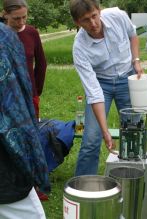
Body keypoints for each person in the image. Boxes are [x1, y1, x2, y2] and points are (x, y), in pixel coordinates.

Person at [69, 0, 144, 176]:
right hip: (101, 83)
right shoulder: (79, 47)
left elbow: (133, 35)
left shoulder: (117, 16)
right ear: (77, 22)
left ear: (99, 10)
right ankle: (83, 188)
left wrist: (136, 61)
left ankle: (134, 177)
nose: (93, 23)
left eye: (94, 16)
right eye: (86, 20)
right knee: (91, 139)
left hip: (127, 77)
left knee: (134, 130)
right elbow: (94, 92)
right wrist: (105, 131)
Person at [0, 22, 49, 219]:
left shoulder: (9, 36)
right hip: (7, 174)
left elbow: (40, 64)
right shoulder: (4, 38)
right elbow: (13, 117)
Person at [2, 0, 47, 119]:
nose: (21, 22)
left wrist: (36, 90)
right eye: (16, 18)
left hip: (29, 94)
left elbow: (41, 64)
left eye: (24, 17)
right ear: (5, 14)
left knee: (31, 132)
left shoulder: (32, 33)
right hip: (5, 95)